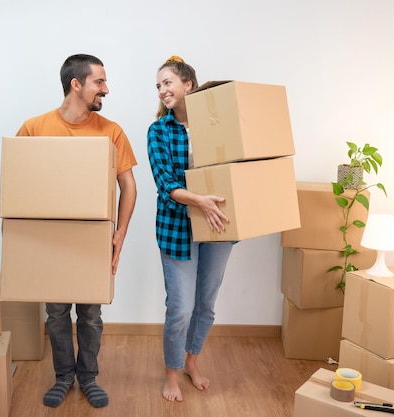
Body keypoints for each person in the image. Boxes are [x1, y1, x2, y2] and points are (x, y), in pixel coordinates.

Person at [16, 54, 137, 408]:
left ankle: (88, 377)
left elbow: (128, 186)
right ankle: (63, 376)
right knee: (55, 314)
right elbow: (18, 182)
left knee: (90, 315)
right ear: (77, 84)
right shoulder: (35, 128)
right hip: (52, 239)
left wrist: (120, 234)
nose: (106, 89)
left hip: (92, 239)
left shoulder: (110, 131)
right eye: (100, 82)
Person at [146, 56, 235, 402]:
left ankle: (190, 363)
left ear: (189, 85)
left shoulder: (216, 124)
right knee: (180, 307)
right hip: (177, 228)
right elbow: (165, 183)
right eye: (157, 86)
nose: (162, 90)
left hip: (219, 224)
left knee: (206, 304)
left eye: (167, 82)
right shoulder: (158, 131)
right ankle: (171, 373)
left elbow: (237, 166)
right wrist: (200, 200)